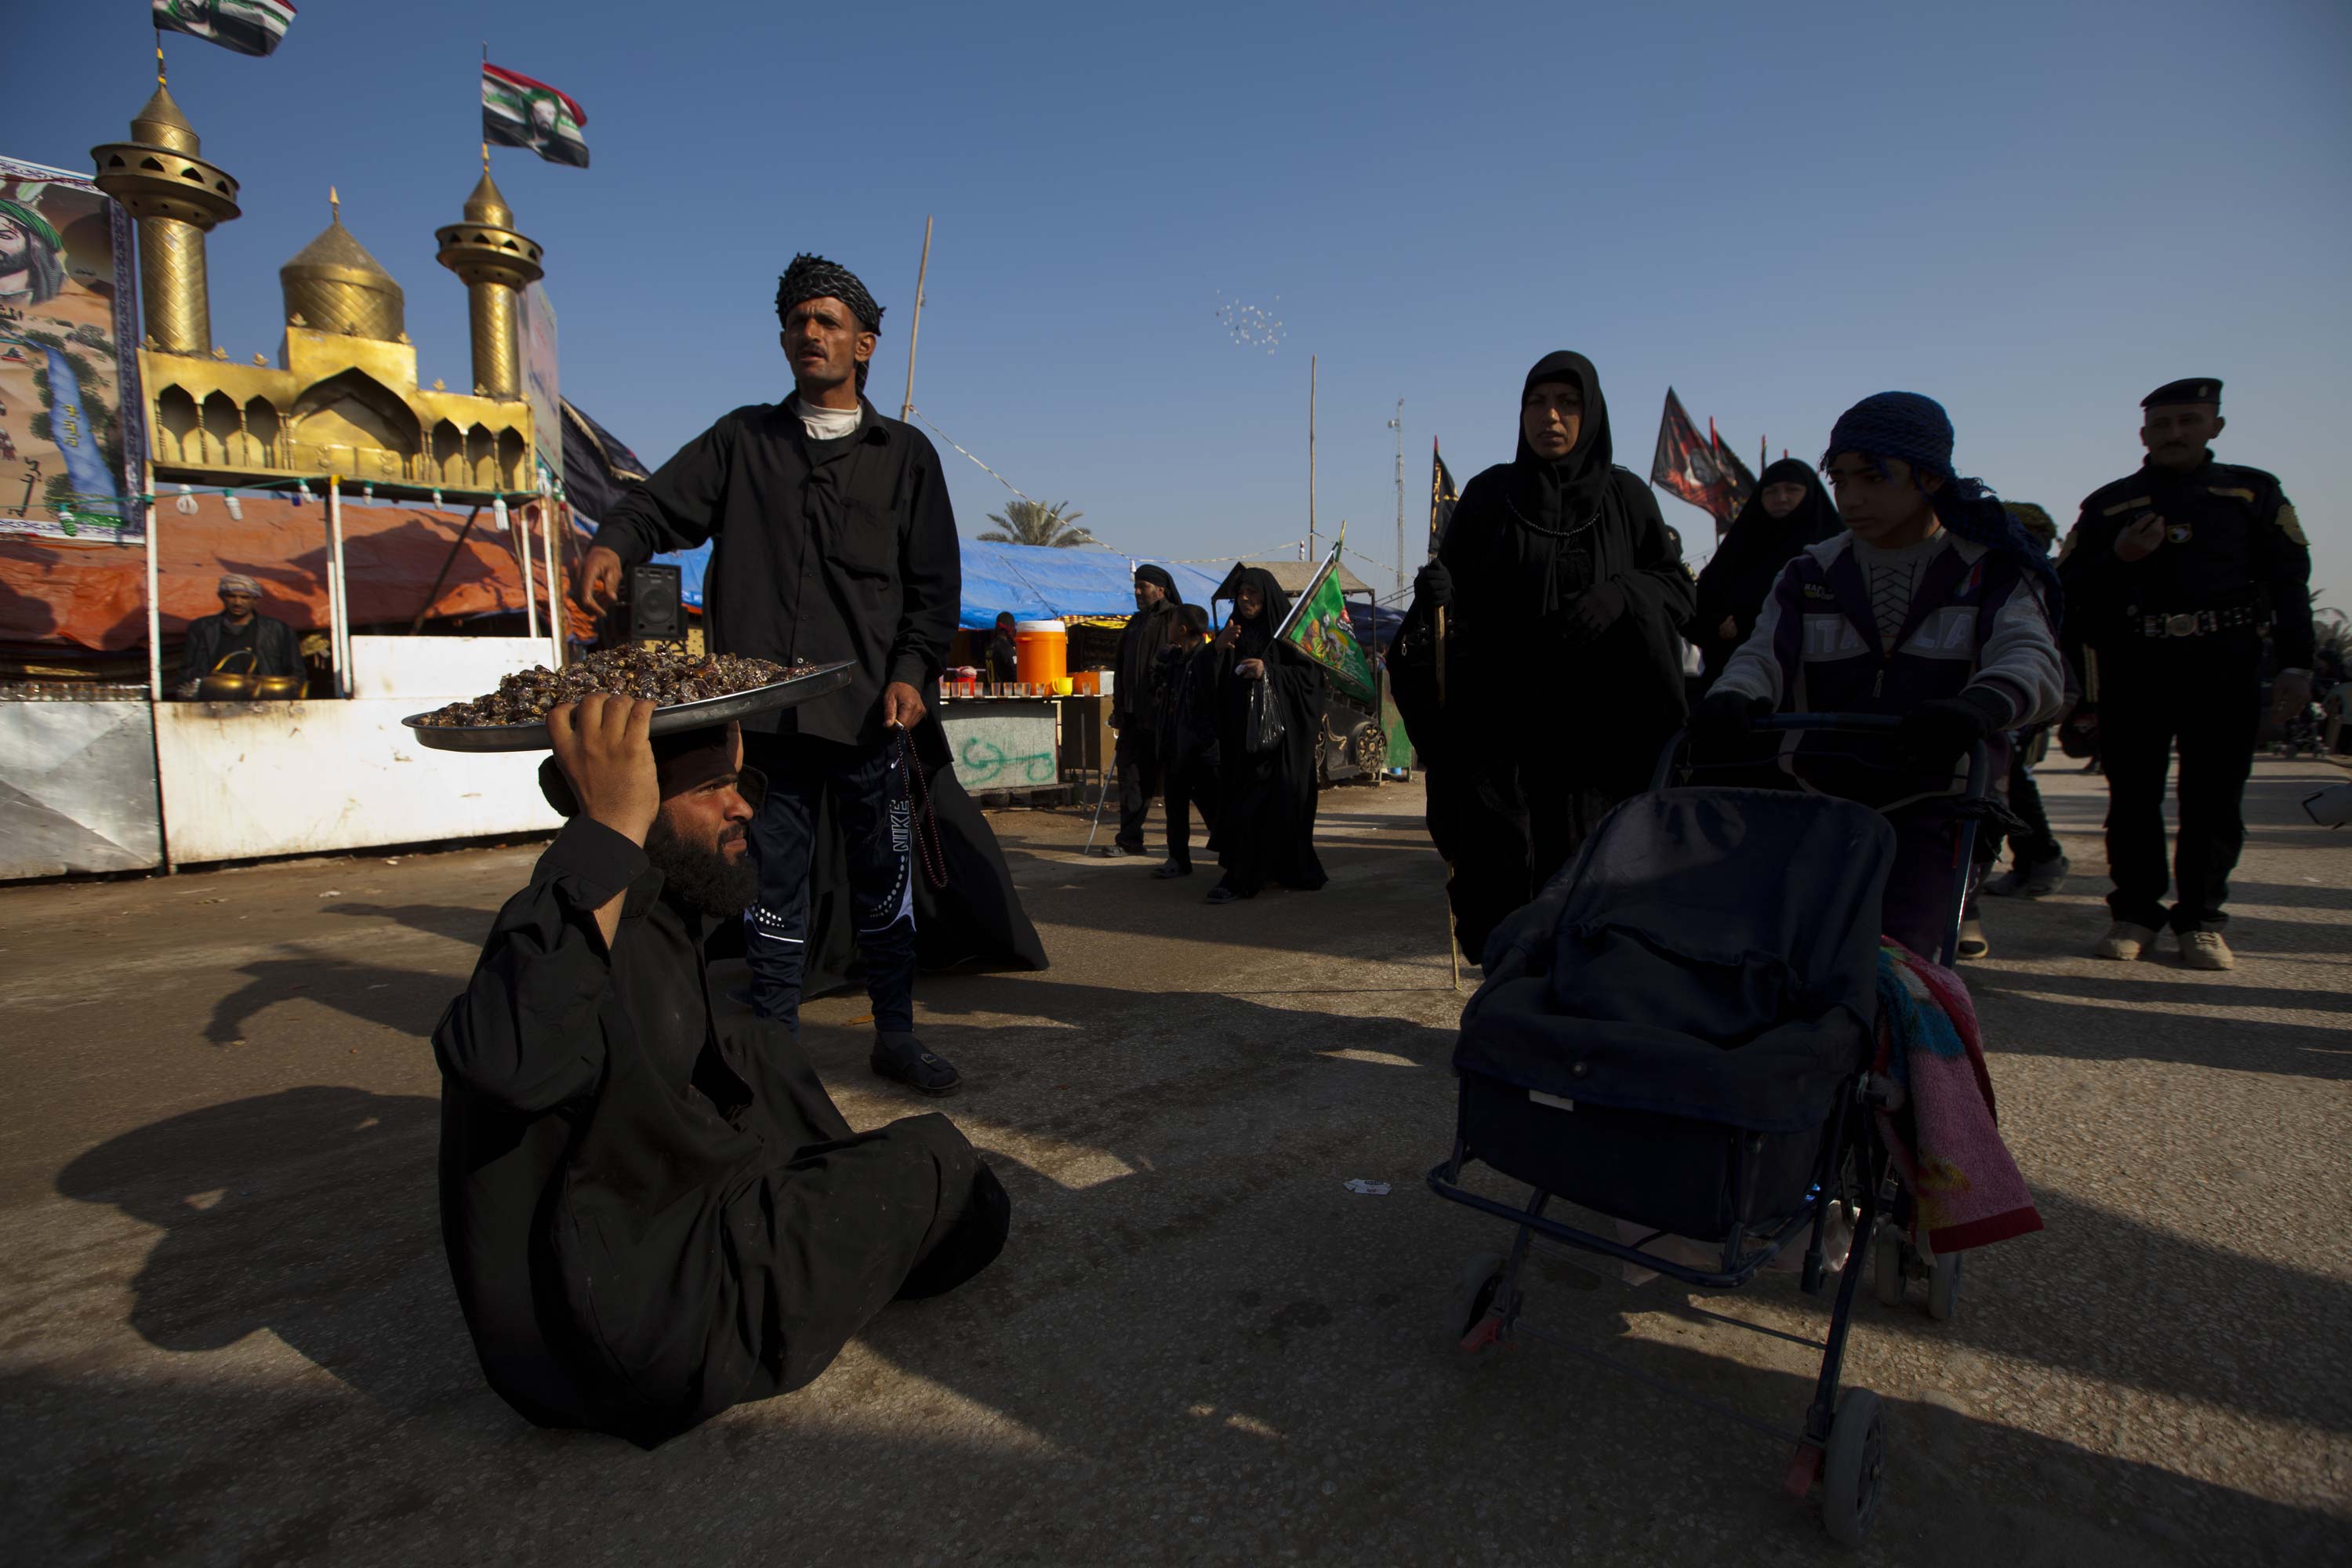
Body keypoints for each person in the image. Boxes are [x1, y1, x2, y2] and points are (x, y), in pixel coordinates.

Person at [434, 698, 1008, 1450]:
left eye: (739, 784)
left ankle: (813, 1219)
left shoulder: (654, 898)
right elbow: (503, 1065)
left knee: (758, 1047)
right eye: (713, 789)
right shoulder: (564, 919)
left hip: (657, 1256)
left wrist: (699, 782)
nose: (742, 807)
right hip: (649, 1333)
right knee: (940, 1166)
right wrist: (608, 826)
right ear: (633, 807)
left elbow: (705, 881)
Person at [576, 253, 965, 1092]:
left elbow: (934, 590)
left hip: (869, 717)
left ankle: (895, 1034)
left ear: (864, 344)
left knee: (884, 884)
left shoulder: (906, 456)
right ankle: (777, 1052)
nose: (809, 333)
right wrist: (613, 542)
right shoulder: (742, 441)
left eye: (827, 321)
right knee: (769, 887)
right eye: (797, 321)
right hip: (764, 725)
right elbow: (655, 505)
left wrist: (911, 673)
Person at [1693, 391, 2065, 961]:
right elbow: (1763, 653)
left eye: (1872, 478)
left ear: (1931, 478)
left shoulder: (1988, 568)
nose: (1851, 498)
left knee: (1900, 962)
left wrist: (1979, 706)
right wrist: (1734, 694)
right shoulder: (1811, 571)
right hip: (1818, 796)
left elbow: (2030, 656)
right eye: (1840, 480)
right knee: (1796, 955)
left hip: (1937, 801)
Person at [1390, 350, 1696, 961]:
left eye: (1567, 403)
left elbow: (1678, 591)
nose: (1549, 416)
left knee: (1592, 891)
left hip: (1599, 745)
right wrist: (1435, 594)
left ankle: (1580, 1010)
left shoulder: (1626, 497)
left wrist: (1623, 593)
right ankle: (1509, 1002)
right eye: (1537, 402)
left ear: (1592, 412)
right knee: (1501, 888)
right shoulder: (1489, 495)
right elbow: (1448, 608)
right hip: (1501, 737)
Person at [2057, 379, 2313, 970]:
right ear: (2143, 433)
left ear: (2214, 426)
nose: (2175, 434)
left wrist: (2297, 665)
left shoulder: (2251, 493)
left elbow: (2289, 583)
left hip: (2224, 662)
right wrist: (2119, 558)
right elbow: (2066, 590)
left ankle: (2200, 919)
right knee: (2132, 796)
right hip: (2137, 664)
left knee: (2215, 797)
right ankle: (2135, 913)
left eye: (2189, 421)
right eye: (2163, 424)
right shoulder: (2110, 505)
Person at [1207, 568, 1327, 903]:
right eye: (1241, 593)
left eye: (1253, 593)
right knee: (1242, 805)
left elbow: (1311, 680)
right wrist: (1217, 650)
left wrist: (1268, 671)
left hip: (1276, 745)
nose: (1245, 599)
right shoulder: (1233, 631)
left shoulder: (1288, 633)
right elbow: (1210, 680)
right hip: (1238, 739)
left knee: (1262, 806)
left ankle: (1242, 878)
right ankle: (1250, 870)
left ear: (1267, 596)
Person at [1980, 502, 2072, 899]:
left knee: (2015, 784)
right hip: (2003, 691)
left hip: (2030, 693)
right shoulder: (1991, 573)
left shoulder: (2038, 578)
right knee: (2006, 785)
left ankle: (2043, 857)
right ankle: (2026, 863)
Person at [1687, 458, 1844, 690]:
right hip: (1737, 683)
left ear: (1809, 493)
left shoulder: (1833, 551)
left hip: (1819, 682)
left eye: (1792, 489)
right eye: (1771, 491)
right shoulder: (1739, 548)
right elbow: (1697, 609)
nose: (1781, 497)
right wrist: (1718, 625)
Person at [1109, 565, 1181, 856]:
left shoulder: (1175, 618)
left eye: (1144, 586)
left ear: (1161, 590)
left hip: (1163, 717)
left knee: (1178, 785)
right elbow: (1121, 668)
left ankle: (1186, 851)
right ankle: (1130, 840)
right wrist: (1118, 707)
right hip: (1131, 716)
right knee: (1130, 779)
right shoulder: (1135, 622)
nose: (1137, 592)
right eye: (1136, 587)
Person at [1152, 601, 1220, 879]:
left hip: (1201, 748)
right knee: (1175, 806)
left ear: (1181, 629)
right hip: (1175, 745)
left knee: (1214, 807)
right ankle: (1178, 859)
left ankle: (1235, 856)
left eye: (1171, 623)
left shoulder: (1206, 660)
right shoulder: (1175, 660)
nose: (1167, 627)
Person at [176, 572, 300, 697]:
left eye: (245, 597)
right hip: (214, 696)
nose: (238, 602)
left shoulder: (277, 630)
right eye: (232, 596)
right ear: (222, 597)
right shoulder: (202, 628)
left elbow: (295, 671)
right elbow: (188, 667)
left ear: (255, 600)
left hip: (262, 698)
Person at [985, 611, 1019, 686]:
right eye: (1013, 627)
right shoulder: (1006, 648)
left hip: (991, 690)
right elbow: (1016, 675)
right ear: (1010, 628)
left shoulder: (990, 647)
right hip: (1004, 691)